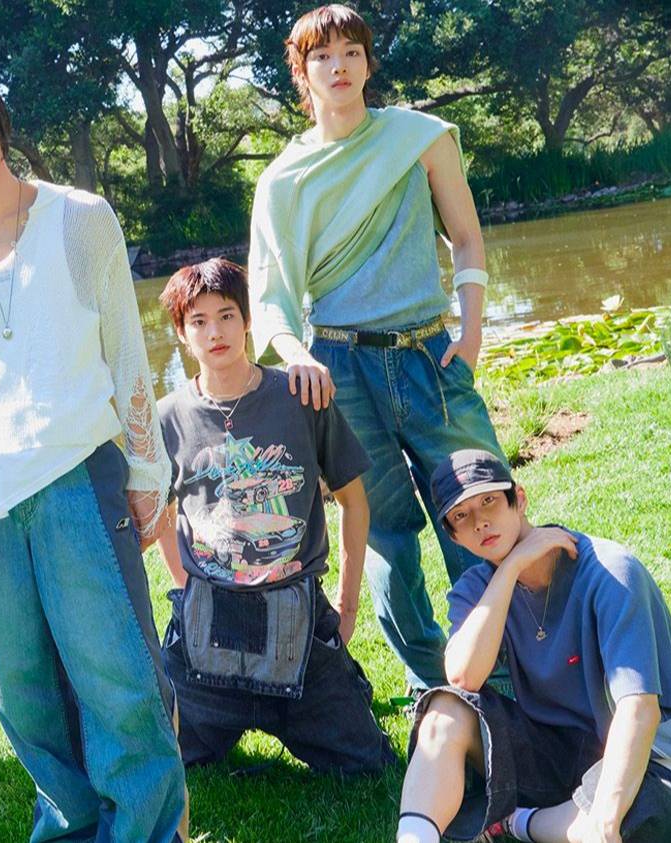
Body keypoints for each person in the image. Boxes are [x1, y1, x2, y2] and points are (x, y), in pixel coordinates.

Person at [0, 66, 188, 842]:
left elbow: (126, 351)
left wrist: (146, 467)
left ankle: (146, 829)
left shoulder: (79, 218)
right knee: (21, 690)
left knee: (116, 674)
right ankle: (68, 826)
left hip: (78, 472)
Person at [247, 3, 508, 692]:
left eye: (351, 52)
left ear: (368, 63)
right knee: (388, 532)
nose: (339, 66)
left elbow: (468, 238)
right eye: (322, 56)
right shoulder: (281, 181)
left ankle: (506, 678)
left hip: (430, 354)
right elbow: (271, 300)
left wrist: (472, 329)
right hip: (339, 370)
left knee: (481, 507)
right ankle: (437, 686)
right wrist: (296, 355)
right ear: (301, 73)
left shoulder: (419, 138)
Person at [396, 450, 671, 843]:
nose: (480, 521)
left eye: (488, 500)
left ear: (519, 499)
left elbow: (639, 710)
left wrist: (605, 820)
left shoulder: (611, 572)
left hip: (649, 757)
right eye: (461, 516)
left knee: (642, 810)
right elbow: (463, 677)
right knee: (445, 710)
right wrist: (511, 568)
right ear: (453, 536)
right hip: (556, 750)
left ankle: (519, 821)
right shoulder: (478, 588)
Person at [155, 259, 395, 774]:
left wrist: (347, 606)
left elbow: (354, 501)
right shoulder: (167, 417)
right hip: (208, 626)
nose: (215, 333)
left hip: (298, 620)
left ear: (248, 321)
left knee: (366, 765)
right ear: (182, 334)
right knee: (165, 757)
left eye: (227, 316)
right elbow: (159, 514)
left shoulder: (300, 396)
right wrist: (184, 583)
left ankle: (333, 692)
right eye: (198, 321)